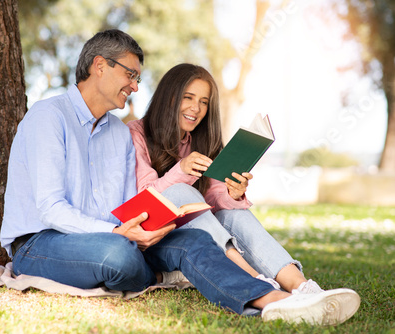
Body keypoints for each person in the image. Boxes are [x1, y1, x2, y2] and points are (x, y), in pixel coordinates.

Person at [0, 30, 359, 325]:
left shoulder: (116, 132)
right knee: (117, 256)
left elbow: (129, 203)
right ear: (99, 66)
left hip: (120, 236)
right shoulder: (49, 117)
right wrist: (118, 233)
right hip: (42, 243)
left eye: (138, 78)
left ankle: (278, 301)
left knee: (194, 242)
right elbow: (49, 208)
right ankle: (159, 275)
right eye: (130, 74)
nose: (136, 86)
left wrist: (140, 229)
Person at [127, 63, 358, 294]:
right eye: (188, 97)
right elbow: (143, 199)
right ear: (169, 97)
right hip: (156, 244)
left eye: (204, 102)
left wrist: (232, 194)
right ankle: (256, 282)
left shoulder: (202, 140)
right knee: (181, 193)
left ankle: (302, 287)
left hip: (197, 236)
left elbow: (211, 198)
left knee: (232, 214)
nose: (196, 108)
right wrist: (181, 171)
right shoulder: (136, 133)